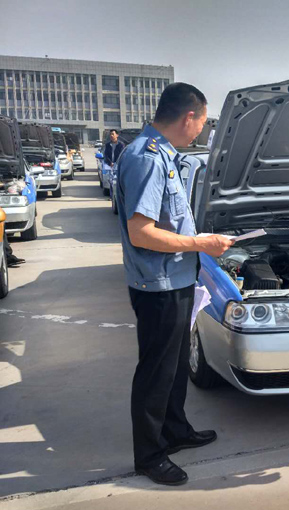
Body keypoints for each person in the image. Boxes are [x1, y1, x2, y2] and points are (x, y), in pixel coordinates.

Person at [115, 82, 233, 486]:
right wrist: (200, 244)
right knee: (157, 370)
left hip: (176, 279)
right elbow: (141, 233)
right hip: (159, 286)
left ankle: (176, 430)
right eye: (202, 122)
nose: (201, 130)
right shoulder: (147, 158)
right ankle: (150, 454)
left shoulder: (163, 154)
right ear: (189, 117)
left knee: (176, 364)